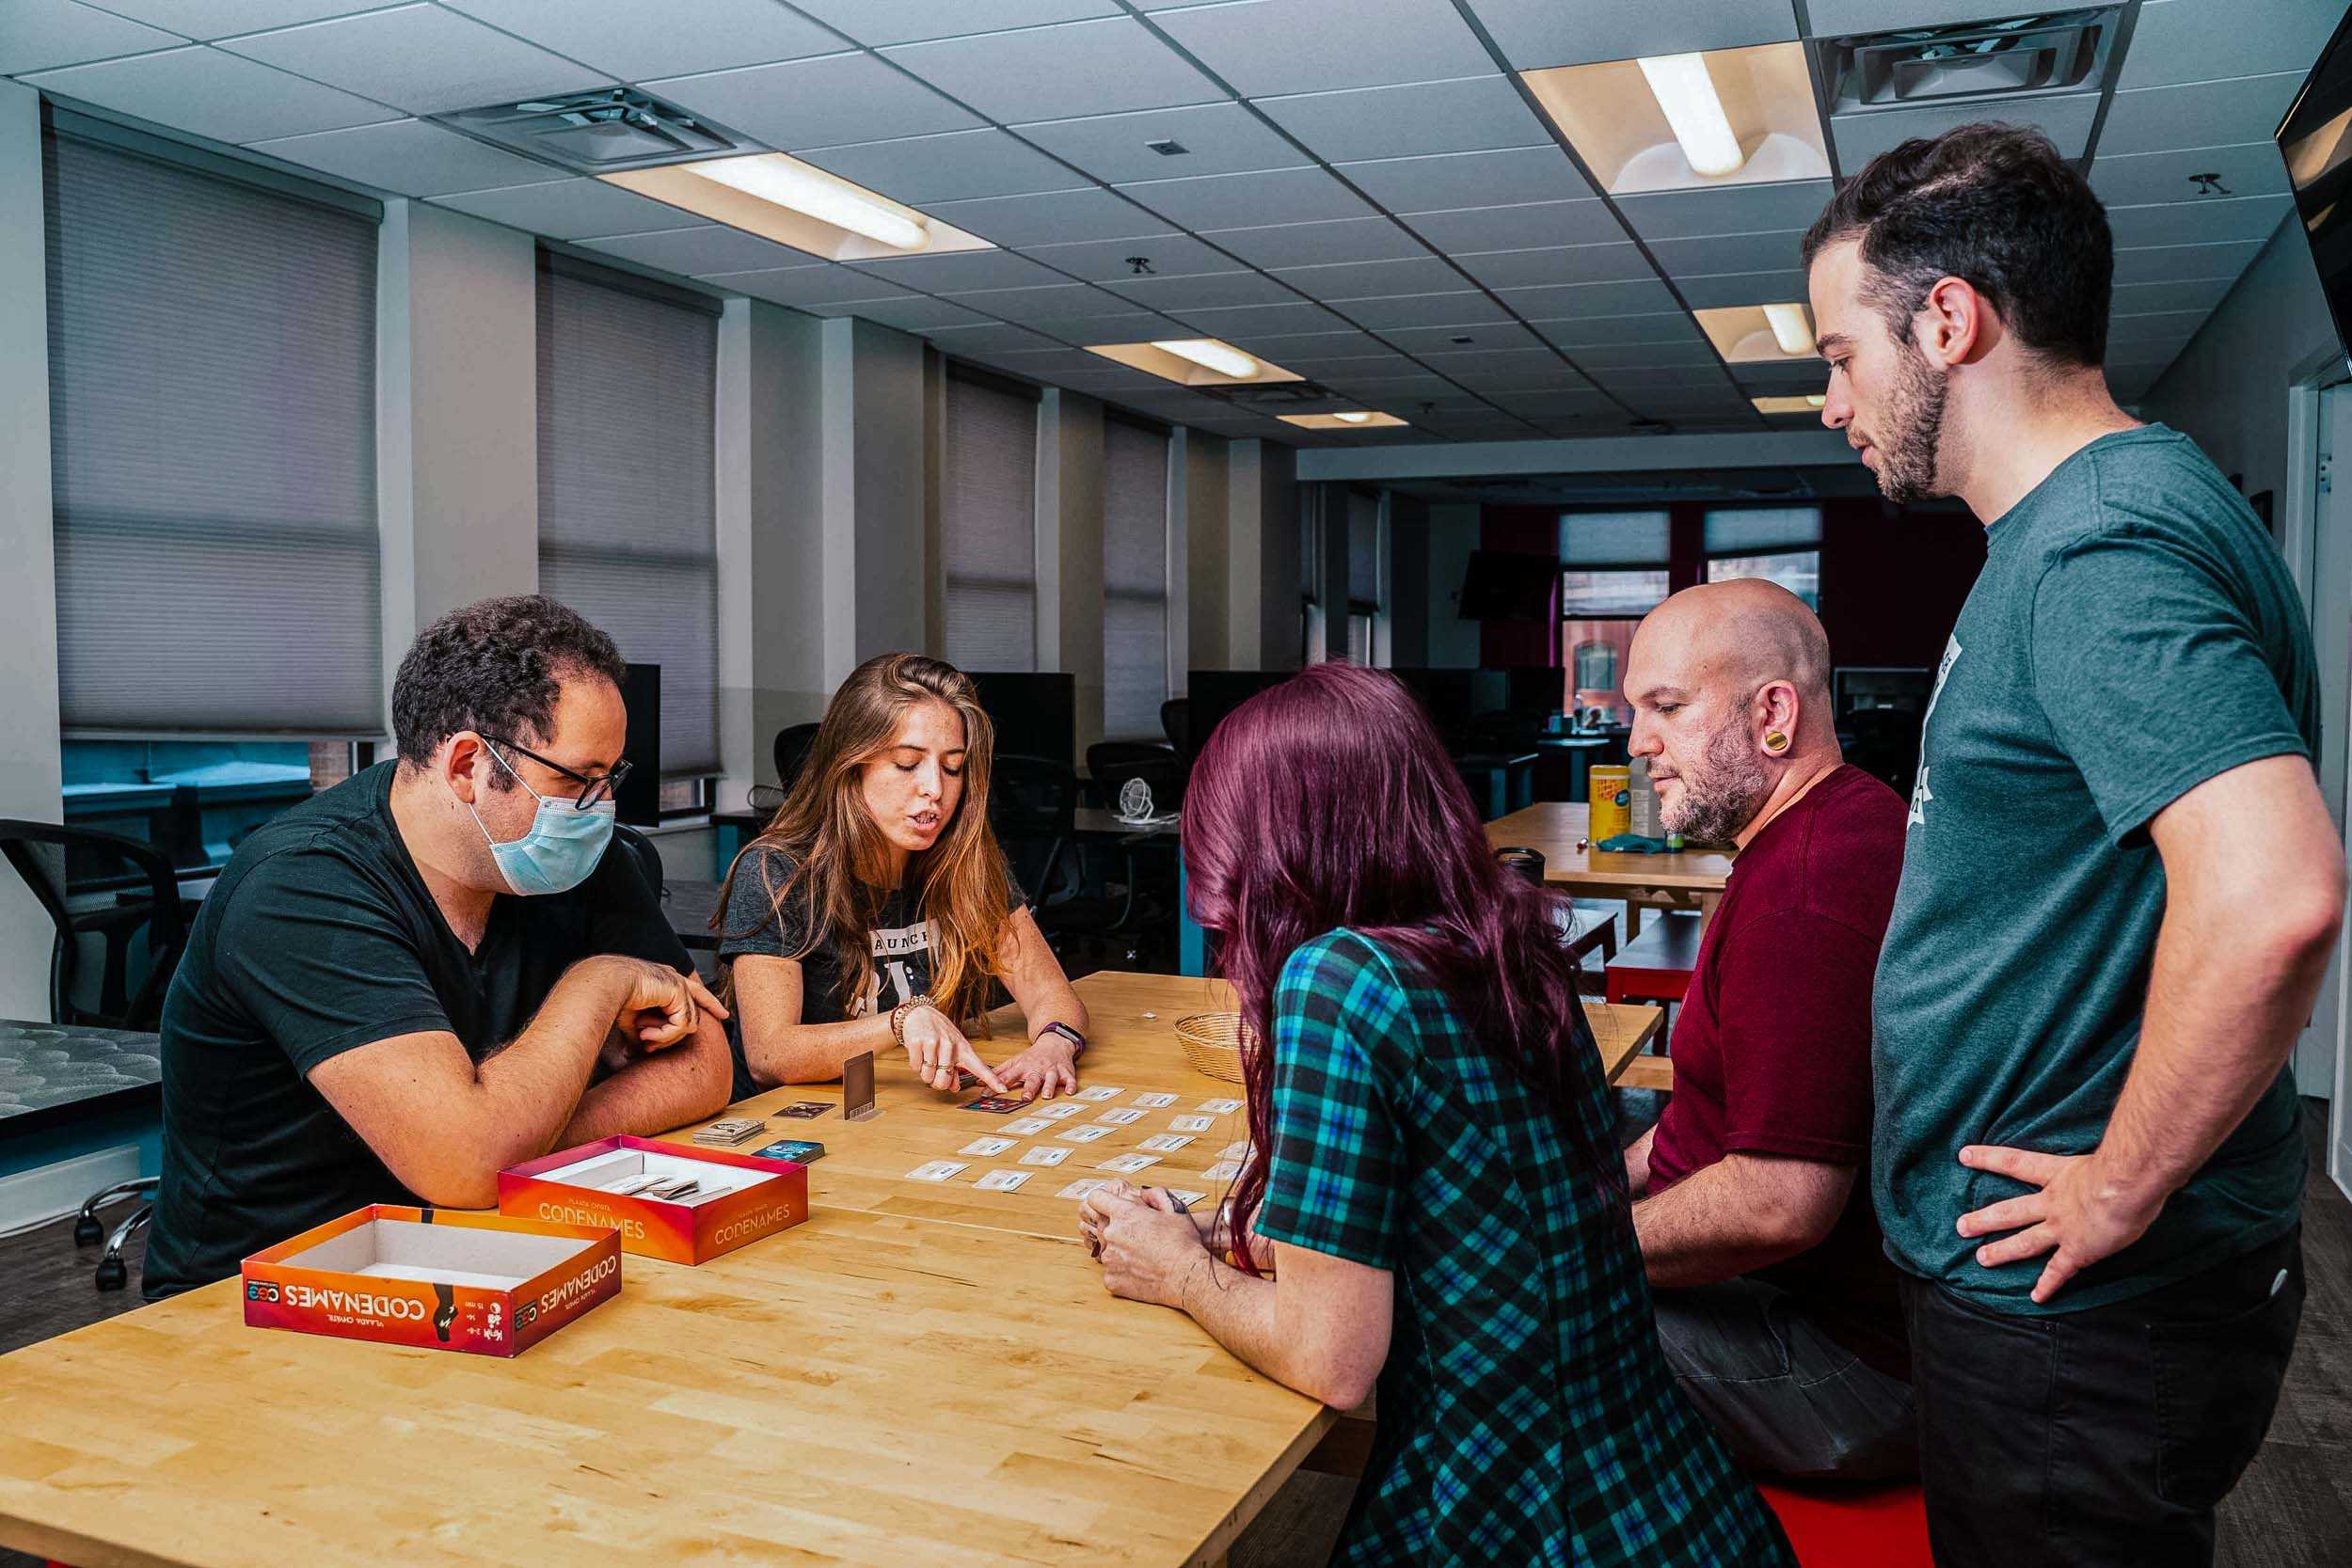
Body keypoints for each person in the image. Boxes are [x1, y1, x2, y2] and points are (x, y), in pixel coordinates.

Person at [1806, 122, 2345, 1562]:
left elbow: (2277, 890)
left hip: (2077, 1310)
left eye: (1839, 355)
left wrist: (2121, 1179)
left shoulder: (2101, 549)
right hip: (2063, 1295)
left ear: (1947, 319)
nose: (1828, 401)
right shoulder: (2093, 523)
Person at [1077, 662, 1792, 1568]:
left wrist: (1180, 1269)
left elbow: (1332, 1360)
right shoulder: (1504, 944)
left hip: (1522, 1520)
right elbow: (1463, 1206)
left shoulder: (1339, 978)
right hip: (1669, 1502)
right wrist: (1255, 1234)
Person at [144, 595, 732, 1299]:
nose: (599, 806)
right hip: (272, 1291)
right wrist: (599, 985)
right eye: (578, 779)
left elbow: (707, 1063)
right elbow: (467, 1160)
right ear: (466, 765)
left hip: (481, 1253)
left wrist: (520, 1130)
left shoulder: (572, 850)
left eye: (612, 778)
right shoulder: (302, 884)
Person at [1618, 579, 1915, 1480]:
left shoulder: (1807, 892)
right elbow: (1701, 1124)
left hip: (1844, 1369)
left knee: (1484, 1315)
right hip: (1825, 1311)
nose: (1638, 745)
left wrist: (1560, 1245)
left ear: (1773, 713)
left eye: (1666, 708)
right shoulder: (1835, 818)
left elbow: (1777, 1201)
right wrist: (1580, 1190)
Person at [719, 654, 1088, 1101]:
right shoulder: (776, 870)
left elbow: (1053, 995)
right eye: (908, 763)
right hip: (796, 1126)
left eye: (953, 767)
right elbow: (769, 1056)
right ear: (850, 766)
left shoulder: (966, 861)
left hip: (910, 1110)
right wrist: (903, 1019)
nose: (935, 787)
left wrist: (1055, 1043)